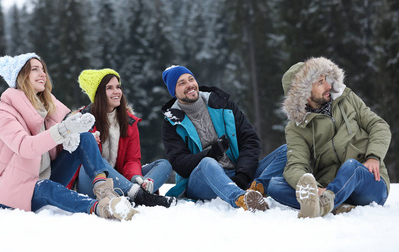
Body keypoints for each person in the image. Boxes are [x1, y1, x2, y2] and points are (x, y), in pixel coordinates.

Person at [0, 53, 138, 221]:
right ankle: (101, 208)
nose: (43, 73)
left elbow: (68, 127)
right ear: (20, 76)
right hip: (12, 189)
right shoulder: (3, 112)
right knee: (46, 187)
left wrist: (78, 136)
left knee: (84, 138)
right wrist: (63, 130)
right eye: (35, 69)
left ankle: (104, 191)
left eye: (43, 69)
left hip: (46, 174)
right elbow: (25, 147)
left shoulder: (48, 103)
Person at [268, 56, 391, 218]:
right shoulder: (296, 128)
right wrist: (316, 188)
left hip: (368, 181)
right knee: (275, 186)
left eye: (325, 79)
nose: (328, 85)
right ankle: (333, 201)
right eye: (320, 82)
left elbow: (379, 126)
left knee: (351, 167)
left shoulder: (346, 98)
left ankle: (323, 204)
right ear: (302, 93)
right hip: (330, 186)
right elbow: (295, 166)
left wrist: (374, 157)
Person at [160, 65, 288, 211]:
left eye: (191, 79)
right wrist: (209, 154)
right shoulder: (171, 123)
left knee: (287, 150)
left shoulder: (222, 104)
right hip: (202, 182)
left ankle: (257, 189)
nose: (189, 85)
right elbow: (179, 163)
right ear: (174, 91)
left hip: (238, 173)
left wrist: (243, 174)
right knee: (207, 162)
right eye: (181, 83)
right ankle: (241, 199)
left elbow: (250, 140)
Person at [75, 69, 176, 208]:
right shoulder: (82, 120)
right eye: (109, 88)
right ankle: (141, 196)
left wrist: (136, 177)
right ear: (97, 93)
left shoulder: (128, 122)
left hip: (121, 180)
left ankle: (136, 194)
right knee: (99, 161)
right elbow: (84, 160)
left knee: (164, 165)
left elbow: (132, 159)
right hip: (92, 182)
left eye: (118, 87)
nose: (116, 91)